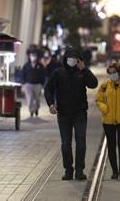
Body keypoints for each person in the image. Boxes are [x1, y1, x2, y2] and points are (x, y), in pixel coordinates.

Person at [44, 47, 98, 181]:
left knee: (81, 142)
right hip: (63, 114)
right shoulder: (58, 73)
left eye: (75, 58)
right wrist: (51, 104)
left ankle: (79, 170)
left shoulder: (82, 72)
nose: (72, 60)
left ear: (79, 60)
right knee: (65, 143)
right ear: (65, 59)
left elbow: (93, 84)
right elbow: (48, 89)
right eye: (70, 58)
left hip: (80, 113)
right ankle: (68, 169)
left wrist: (84, 69)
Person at [22, 50, 46, 117]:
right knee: (30, 99)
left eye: (34, 56)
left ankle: (36, 108)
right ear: (29, 57)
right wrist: (23, 83)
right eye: (32, 56)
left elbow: (43, 75)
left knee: (37, 99)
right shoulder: (26, 66)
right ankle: (31, 111)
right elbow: (23, 74)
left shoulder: (40, 66)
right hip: (28, 84)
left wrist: (42, 84)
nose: (33, 57)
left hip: (37, 85)